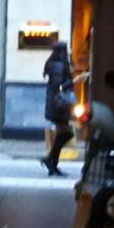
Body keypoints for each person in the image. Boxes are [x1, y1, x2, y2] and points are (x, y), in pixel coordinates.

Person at [42, 41, 75, 176]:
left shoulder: (52, 63)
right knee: (66, 133)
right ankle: (50, 160)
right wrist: (73, 82)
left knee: (63, 134)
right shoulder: (60, 65)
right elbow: (59, 87)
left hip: (55, 105)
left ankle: (52, 163)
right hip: (59, 106)